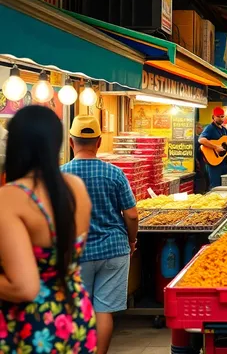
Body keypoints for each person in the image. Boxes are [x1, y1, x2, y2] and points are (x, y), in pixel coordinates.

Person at [0, 106, 97, 353]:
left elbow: (25, 287)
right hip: (75, 315)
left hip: (33, 326)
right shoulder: (75, 187)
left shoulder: (11, 198)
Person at [62, 115, 138, 354]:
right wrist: (132, 240)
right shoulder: (115, 173)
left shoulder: (59, 176)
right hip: (113, 250)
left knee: (78, 309)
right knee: (104, 310)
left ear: (71, 142)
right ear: (99, 142)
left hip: (77, 253)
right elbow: (132, 215)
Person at [199, 107, 227, 189]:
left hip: (223, 161)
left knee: (224, 185)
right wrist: (216, 147)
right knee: (216, 187)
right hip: (214, 163)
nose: (221, 119)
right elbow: (201, 140)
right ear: (213, 117)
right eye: (218, 116)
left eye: (222, 116)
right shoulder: (210, 128)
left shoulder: (224, 129)